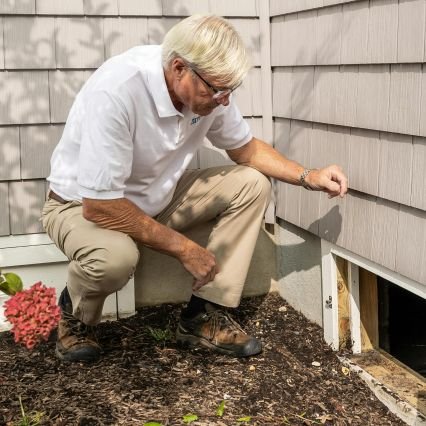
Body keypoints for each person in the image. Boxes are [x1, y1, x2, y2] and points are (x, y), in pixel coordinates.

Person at [42, 14, 348, 363]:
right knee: (115, 259)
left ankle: (202, 316)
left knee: (251, 183)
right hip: (79, 205)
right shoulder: (117, 91)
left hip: (156, 199)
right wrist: (186, 249)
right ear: (178, 69)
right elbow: (100, 205)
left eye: (229, 91)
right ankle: (74, 315)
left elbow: (245, 150)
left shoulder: (208, 92)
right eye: (216, 90)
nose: (224, 101)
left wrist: (308, 176)